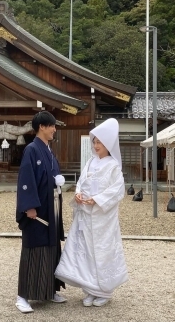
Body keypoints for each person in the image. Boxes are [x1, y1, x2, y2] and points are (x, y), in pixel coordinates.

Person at [55, 118, 128, 307]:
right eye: (94, 142)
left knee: (102, 251)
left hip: (103, 217)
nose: (96, 146)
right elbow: (81, 181)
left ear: (108, 144)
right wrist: (79, 194)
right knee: (85, 251)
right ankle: (89, 289)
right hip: (86, 215)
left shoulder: (113, 165)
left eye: (99, 142)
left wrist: (96, 199)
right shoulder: (90, 162)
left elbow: (117, 190)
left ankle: (104, 291)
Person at [15, 111, 66, 313]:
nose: (54, 129)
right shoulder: (31, 150)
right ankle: (22, 296)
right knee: (34, 249)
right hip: (37, 210)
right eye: (52, 126)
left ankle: (49, 290)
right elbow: (26, 180)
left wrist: (58, 181)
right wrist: (29, 206)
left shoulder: (47, 150)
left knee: (51, 248)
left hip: (50, 207)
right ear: (42, 127)